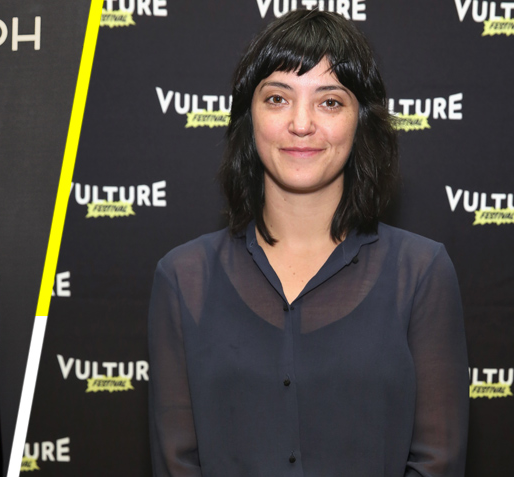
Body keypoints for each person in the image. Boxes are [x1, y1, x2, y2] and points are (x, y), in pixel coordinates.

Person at [148, 10, 468, 477]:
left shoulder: (420, 273)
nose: (301, 123)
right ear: (249, 117)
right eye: (277, 98)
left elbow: (437, 463)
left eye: (330, 102)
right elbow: (177, 464)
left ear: (361, 121)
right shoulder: (183, 278)